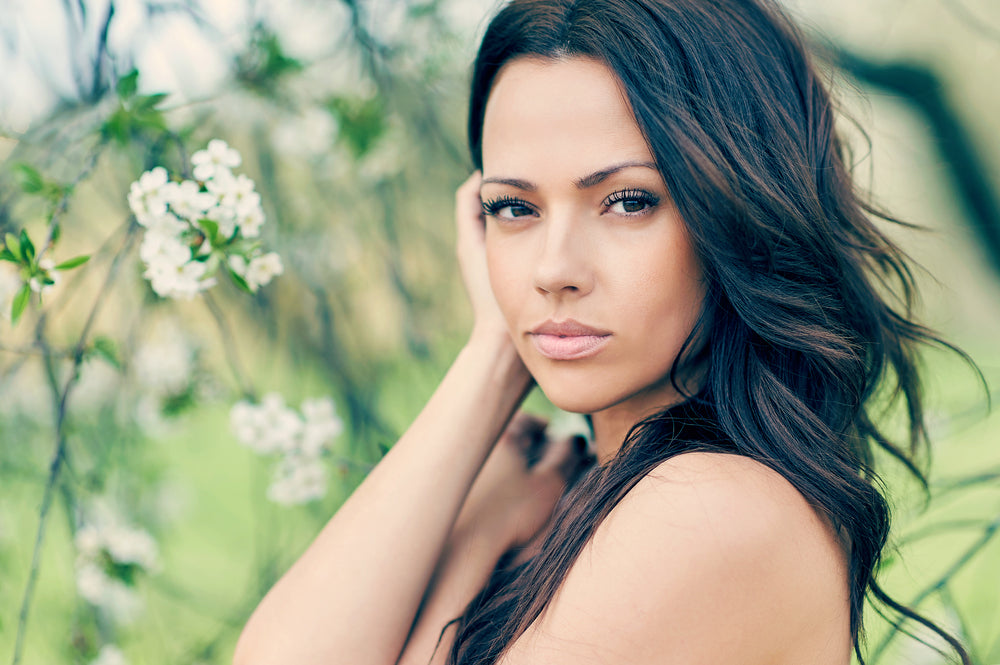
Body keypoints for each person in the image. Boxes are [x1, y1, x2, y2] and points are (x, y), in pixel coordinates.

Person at [233, 1, 972, 663]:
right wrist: (492, 356)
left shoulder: (717, 507)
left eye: (626, 200)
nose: (554, 269)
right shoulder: (590, 486)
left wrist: (478, 537)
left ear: (741, 209)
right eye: (514, 209)